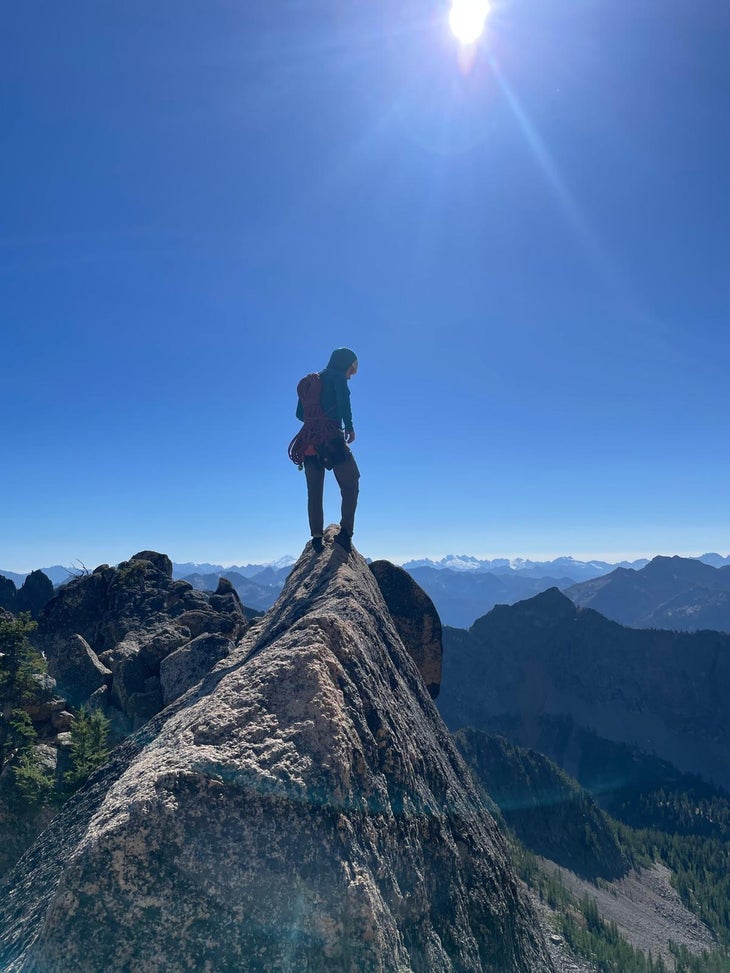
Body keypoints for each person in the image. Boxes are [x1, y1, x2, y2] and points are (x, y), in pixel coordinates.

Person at [292, 347, 360, 553]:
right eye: (352, 369)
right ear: (344, 364)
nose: (351, 374)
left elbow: (299, 414)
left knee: (314, 491)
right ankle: (345, 534)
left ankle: (316, 538)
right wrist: (348, 426)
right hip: (332, 440)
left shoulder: (310, 383)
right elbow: (344, 403)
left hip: (309, 443)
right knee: (351, 483)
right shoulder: (337, 379)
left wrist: (315, 419)